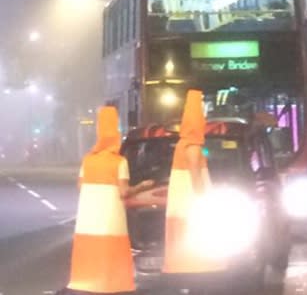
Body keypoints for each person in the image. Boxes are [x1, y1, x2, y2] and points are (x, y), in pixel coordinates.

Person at [64, 106, 153, 294]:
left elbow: (81, 186)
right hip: (110, 219)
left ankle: (89, 282)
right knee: (111, 252)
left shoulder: (88, 160)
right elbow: (124, 192)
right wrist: (143, 186)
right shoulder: (118, 162)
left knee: (90, 253)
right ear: (115, 136)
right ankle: (110, 283)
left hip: (88, 221)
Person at [162, 90, 225, 278]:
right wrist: (202, 200)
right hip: (193, 211)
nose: (204, 119)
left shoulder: (183, 144)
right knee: (199, 264)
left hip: (184, 210)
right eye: (202, 114)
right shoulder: (192, 146)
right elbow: (195, 174)